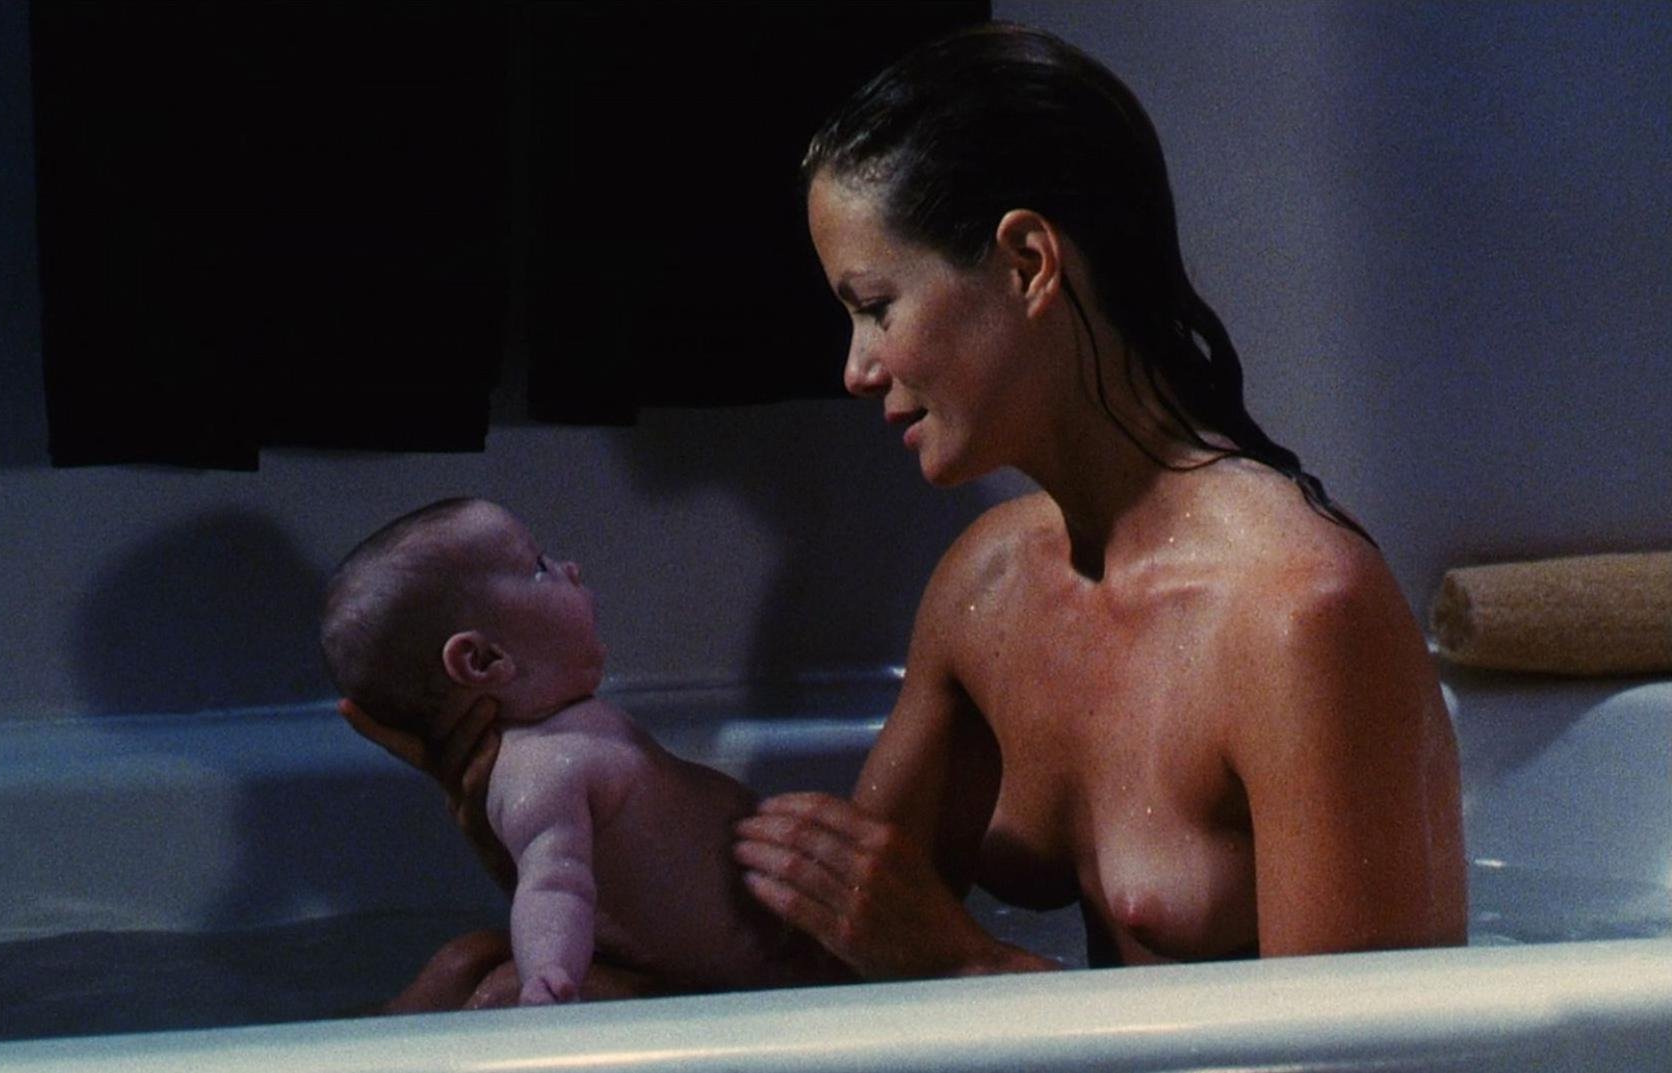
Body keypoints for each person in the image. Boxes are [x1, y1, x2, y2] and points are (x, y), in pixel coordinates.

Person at [727, 22, 1467, 975]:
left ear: (1028, 264)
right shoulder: (985, 589)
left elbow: (1370, 1046)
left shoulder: (1299, 618)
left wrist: (972, 968)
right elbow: (836, 948)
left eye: (876, 307)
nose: (857, 369)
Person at [321, 497, 822, 1008]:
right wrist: (549, 973)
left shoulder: (570, 723)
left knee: (468, 964)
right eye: (539, 568)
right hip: (748, 974)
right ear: (484, 659)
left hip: (769, 940)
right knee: (478, 976)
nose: (571, 568)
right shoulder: (538, 772)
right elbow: (555, 885)